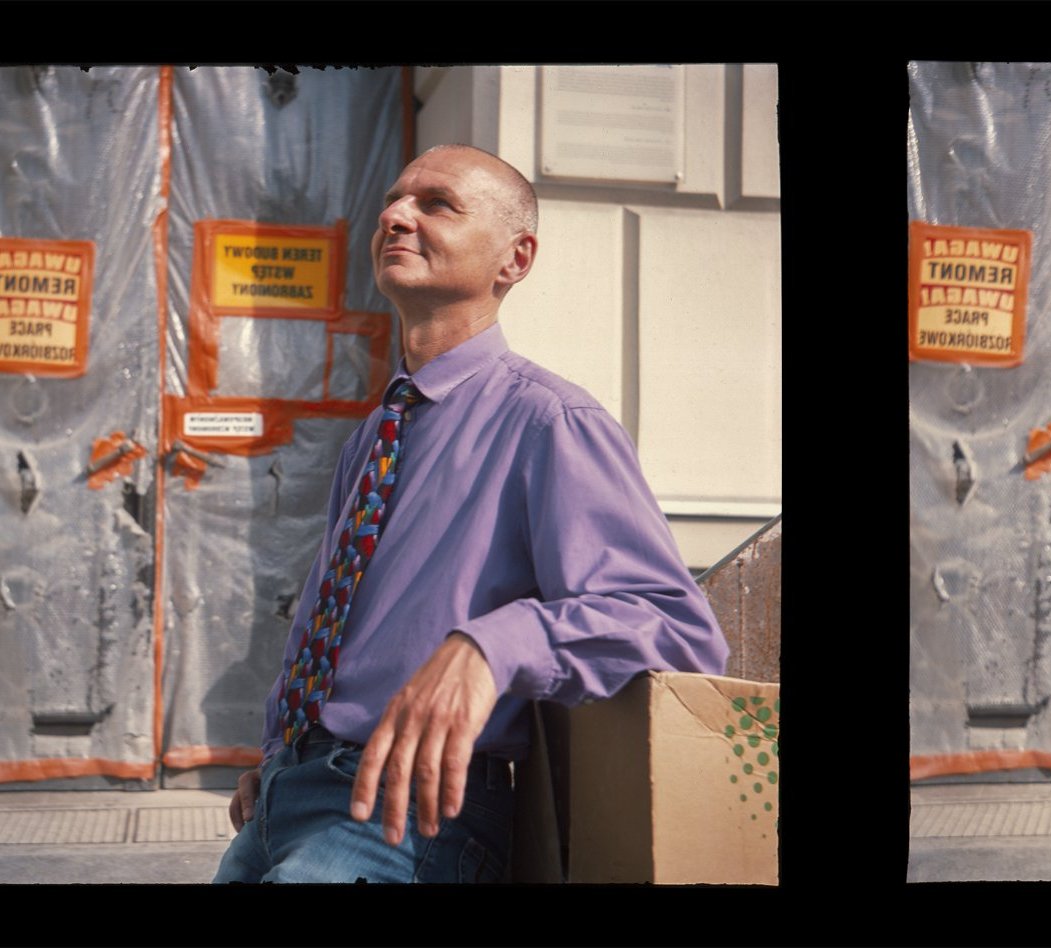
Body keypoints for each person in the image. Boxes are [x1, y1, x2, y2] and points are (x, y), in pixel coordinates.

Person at [213, 144, 727, 883]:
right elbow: (335, 614)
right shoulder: (375, 432)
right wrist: (277, 752)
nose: (395, 216)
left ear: (515, 259)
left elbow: (674, 627)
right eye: (393, 201)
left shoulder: (551, 421)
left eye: (436, 204)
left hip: (407, 817)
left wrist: (493, 644)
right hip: (281, 799)